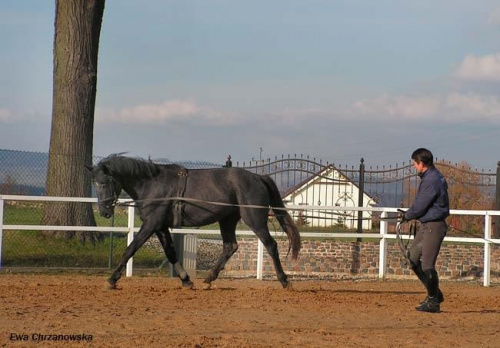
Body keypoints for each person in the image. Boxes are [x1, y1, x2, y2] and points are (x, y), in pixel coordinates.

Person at [401, 148, 449, 313]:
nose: (414, 166)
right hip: (427, 225)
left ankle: (433, 301)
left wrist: (408, 215)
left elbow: (421, 204)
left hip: (433, 226)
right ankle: (435, 294)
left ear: (421, 163)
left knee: (428, 265)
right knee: (412, 258)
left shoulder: (431, 180)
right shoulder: (432, 177)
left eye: (415, 163)